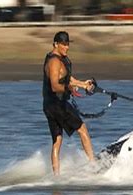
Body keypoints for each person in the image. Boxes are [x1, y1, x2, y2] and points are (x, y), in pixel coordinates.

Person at [42, 31, 95, 175]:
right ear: (56, 44)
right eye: (64, 44)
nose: (67, 47)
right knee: (82, 129)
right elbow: (55, 85)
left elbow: (67, 78)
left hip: (49, 106)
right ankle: (93, 165)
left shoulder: (60, 59)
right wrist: (69, 89)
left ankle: (56, 177)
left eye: (68, 44)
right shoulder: (54, 62)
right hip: (58, 104)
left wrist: (83, 85)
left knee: (57, 140)